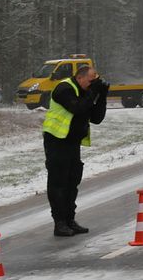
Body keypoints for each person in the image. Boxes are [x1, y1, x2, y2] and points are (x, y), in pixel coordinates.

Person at [43, 64, 109, 236]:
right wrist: (93, 92)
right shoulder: (64, 89)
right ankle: (60, 223)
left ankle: (70, 220)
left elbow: (96, 118)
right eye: (90, 80)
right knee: (59, 182)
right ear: (80, 78)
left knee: (72, 181)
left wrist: (102, 96)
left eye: (95, 80)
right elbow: (78, 108)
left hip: (72, 142)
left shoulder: (86, 91)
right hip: (57, 141)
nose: (92, 83)